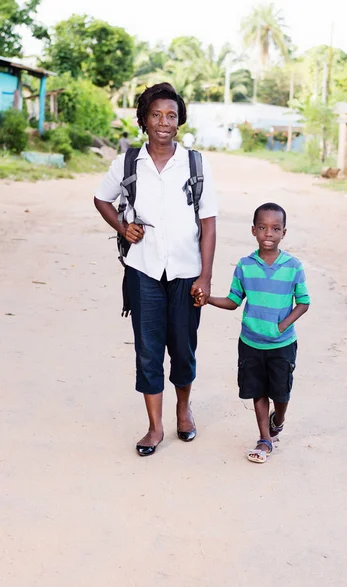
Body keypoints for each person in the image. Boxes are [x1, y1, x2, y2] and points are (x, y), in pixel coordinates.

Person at [94, 83, 217, 457]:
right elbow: (102, 199)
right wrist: (122, 226)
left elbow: (208, 222)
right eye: (156, 115)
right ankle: (154, 426)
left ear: (179, 122)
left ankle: (183, 409)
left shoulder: (195, 164)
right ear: (144, 120)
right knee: (148, 351)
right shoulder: (128, 163)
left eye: (172, 116)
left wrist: (205, 276)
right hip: (143, 270)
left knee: (183, 348)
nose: (164, 122)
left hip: (186, 272)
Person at [194, 203, 310, 464]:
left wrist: (282, 325)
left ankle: (277, 420)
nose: (268, 233)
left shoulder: (293, 266)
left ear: (284, 232)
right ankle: (264, 438)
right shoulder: (245, 265)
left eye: (275, 228)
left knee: (280, 394)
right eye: (262, 227)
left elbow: (303, 302)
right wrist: (208, 298)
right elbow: (234, 300)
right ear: (254, 231)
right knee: (258, 390)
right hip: (251, 342)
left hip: (282, 344)